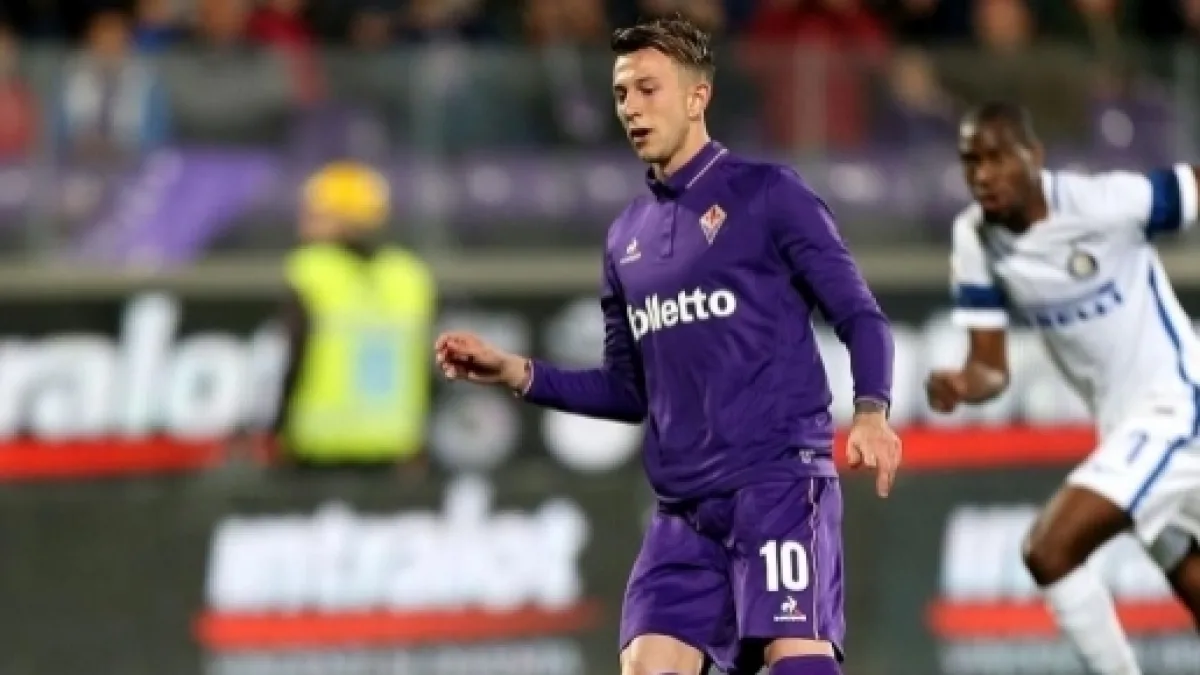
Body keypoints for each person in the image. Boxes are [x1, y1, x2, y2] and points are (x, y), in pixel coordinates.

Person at [435, 15, 901, 675]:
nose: (631, 107)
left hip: (775, 485)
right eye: (621, 93)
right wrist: (517, 372)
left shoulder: (770, 194)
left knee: (796, 661)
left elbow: (860, 313)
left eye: (648, 89)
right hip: (683, 514)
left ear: (696, 96)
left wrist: (873, 409)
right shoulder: (626, 237)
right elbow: (629, 391)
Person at [927, 101, 1200, 675]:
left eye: (997, 158)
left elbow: (1192, 188)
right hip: (1125, 429)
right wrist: (962, 384)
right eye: (971, 161)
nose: (983, 175)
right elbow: (990, 369)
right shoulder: (974, 238)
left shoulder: (1103, 203)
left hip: (1178, 404)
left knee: (1048, 550)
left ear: (1034, 156)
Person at [266, 160, 435, 470]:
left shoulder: (309, 270)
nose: (303, 221)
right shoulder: (410, 274)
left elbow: (292, 358)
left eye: (315, 213)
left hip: (317, 450)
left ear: (343, 218)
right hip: (394, 446)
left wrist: (277, 430)